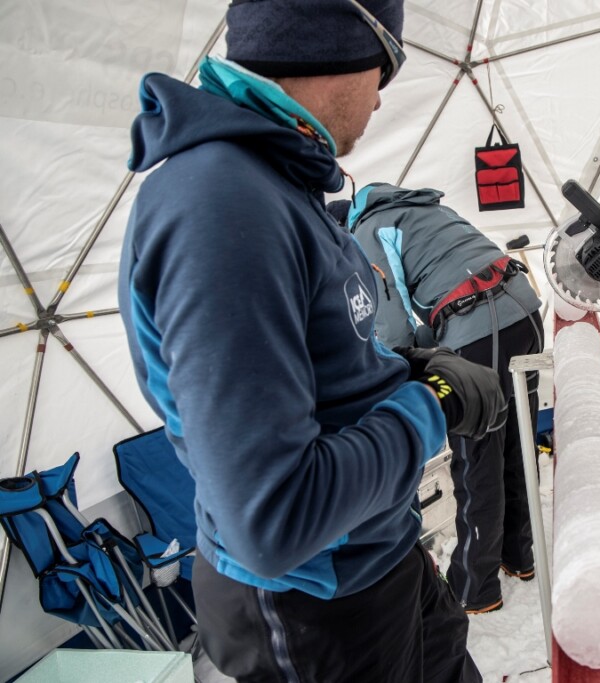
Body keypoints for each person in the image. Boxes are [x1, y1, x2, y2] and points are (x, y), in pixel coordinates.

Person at [117, 2, 503, 681]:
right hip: (315, 609)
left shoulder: (279, 186)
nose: (382, 96)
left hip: (380, 556)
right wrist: (429, 405)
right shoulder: (221, 201)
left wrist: (399, 367)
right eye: (386, 65)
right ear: (337, 45)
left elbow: (317, 363)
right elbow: (273, 518)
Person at [329, 182, 545, 614]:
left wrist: (399, 375)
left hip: (483, 323)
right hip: (524, 311)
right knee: (517, 441)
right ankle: (520, 556)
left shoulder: (367, 232)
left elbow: (393, 329)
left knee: (477, 458)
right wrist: (438, 350)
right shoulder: (423, 207)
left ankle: (475, 587)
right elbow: (438, 304)